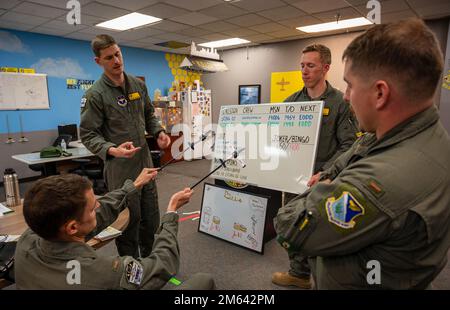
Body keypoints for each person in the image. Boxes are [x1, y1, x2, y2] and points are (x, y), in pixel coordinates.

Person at [274, 18, 450, 289]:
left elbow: (290, 226)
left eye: (351, 85)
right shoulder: (432, 137)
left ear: (380, 93)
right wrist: (333, 173)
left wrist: (326, 185)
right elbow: (360, 146)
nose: (347, 96)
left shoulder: (373, 184)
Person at [15, 169, 215, 289]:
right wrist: (171, 213)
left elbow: (101, 213)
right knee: (203, 281)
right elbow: (163, 264)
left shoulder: (27, 239)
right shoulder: (104, 271)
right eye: (93, 208)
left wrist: (133, 186)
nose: (99, 207)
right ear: (73, 227)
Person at [272, 44, 358, 289]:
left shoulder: (340, 103)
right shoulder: (291, 102)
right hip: (294, 179)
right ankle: (298, 273)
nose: (304, 71)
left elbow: (349, 145)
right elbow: (279, 141)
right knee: (293, 225)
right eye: (302, 66)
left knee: (323, 229)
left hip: (325, 181)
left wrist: (327, 172)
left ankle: (324, 279)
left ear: (326, 68)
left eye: (311, 65)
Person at [80, 34, 171, 258]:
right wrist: (112, 149)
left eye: (118, 54)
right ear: (98, 61)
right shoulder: (95, 95)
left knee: (151, 220)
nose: (116, 61)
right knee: (127, 224)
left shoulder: (138, 85)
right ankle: (131, 270)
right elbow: (88, 134)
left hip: (145, 166)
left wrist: (159, 132)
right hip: (120, 171)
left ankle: (152, 266)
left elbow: (149, 114)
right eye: (109, 57)